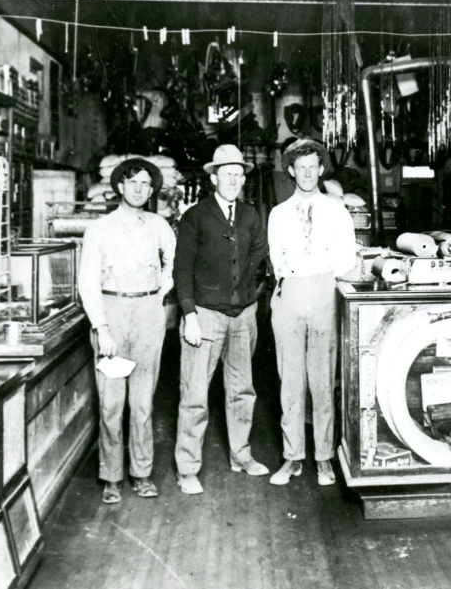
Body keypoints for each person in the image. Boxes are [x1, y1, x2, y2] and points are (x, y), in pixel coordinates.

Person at [173, 144, 270, 495]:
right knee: (195, 394)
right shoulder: (195, 217)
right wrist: (190, 314)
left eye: (238, 174)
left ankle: (240, 455)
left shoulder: (249, 215)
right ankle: (187, 468)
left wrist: (246, 289)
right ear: (213, 177)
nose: (233, 179)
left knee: (243, 390)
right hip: (206, 316)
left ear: (243, 179)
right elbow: (181, 269)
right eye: (226, 173)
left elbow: (259, 251)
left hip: (243, 315)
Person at [77, 157, 175, 504]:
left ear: (152, 190)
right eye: (133, 182)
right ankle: (112, 476)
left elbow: (172, 263)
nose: (139, 189)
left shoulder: (159, 225)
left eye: (146, 184)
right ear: (119, 186)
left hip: (148, 313)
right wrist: (101, 327)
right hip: (112, 313)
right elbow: (87, 282)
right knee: (112, 402)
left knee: (143, 401)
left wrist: (159, 292)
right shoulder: (99, 229)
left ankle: (142, 472)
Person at [267, 138, 358, 486]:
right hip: (289, 291)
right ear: (291, 171)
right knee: (290, 380)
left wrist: (319, 270)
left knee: (322, 380)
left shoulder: (336, 210)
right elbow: (277, 260)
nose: (306, 174)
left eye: (312, 167)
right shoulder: (278, 214)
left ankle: (323, 458)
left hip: (322, 289)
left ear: (320, 170)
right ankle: (292, 457)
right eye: (299, 168)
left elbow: (346, 258)